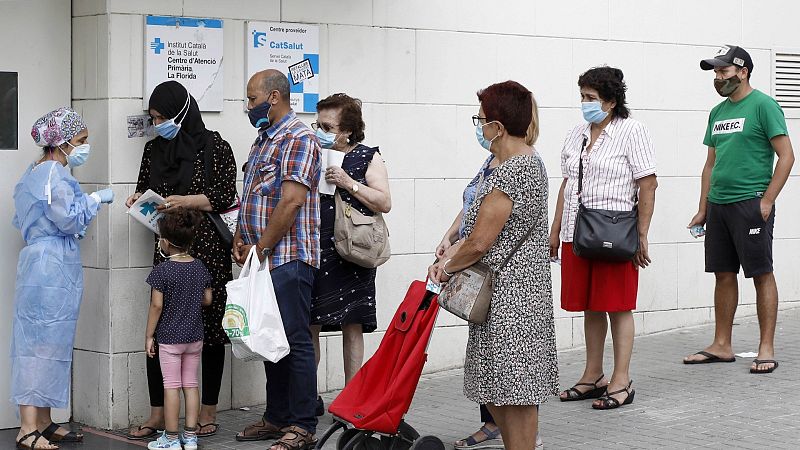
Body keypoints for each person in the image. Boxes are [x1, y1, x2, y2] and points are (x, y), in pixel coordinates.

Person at [429, 80, 558, 450]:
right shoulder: (528, 161)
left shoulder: (509, 172)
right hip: (521, 291)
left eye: (480, 119)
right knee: (509, 391)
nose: (478, 126)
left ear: (497, 127)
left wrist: (447, 265)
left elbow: (481, 242)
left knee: (511, 391)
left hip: (508, 298)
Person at [126, 81, 237, 440]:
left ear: (181, 112)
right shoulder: (153, 150)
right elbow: (146, 186)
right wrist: (139, 199)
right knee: (161, 330)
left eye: (161, 117)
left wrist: (185, 201)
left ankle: (207, 409)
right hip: (166, 251)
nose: (158, 124)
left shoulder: (215, 147)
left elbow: (224, 195)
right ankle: (158, 413)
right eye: (153, 118)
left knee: (211, 332)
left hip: (206, 252)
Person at [550, 67, 657, 409]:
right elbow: (567, 184)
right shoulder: (576, 134)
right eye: (582, 96)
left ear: (611, 101)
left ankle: (621, 380)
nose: (585, 103)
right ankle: (592, 376)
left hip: (616, 231)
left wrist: (642, 234)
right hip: (576, 231)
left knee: (617, 305)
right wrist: (555, 231)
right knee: (590, 305)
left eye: (591, 98)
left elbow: (648, 184)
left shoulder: (632, 131)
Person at [684, 45, 795, 373]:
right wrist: (702, 207)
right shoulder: (717, 113)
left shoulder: (763, 106)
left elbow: (786, 156)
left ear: (743, 71)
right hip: (719, 205)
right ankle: (721, 344)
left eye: (724, 71)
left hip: (751, 203)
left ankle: (766, 347)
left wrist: (767, 199)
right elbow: (710, 164)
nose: (718, 78)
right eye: (716, 73)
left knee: (761, 273)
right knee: (723, 274)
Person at [11, 107, 114, 449]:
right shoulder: (53, 174)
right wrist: (95, 199)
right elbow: (68, 220)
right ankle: (28, 428)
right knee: (37, 345)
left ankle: (43, 420)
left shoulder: (35, 172)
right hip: (50, 266)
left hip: (46, 264)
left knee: (49, 342)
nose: (86, 147)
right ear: (62, 142)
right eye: (82, 141)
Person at [233, 69, 321, 450]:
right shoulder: (263, 140)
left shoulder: (298, 138)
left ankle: (302, 425)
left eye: (252, 99)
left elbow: (291, 201)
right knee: (272, 339)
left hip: (289, 256)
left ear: (273, 97)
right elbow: (253, 194)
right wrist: (240, 236)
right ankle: (276, 417)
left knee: (296, 340)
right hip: (263, 257)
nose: (248, 106)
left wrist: (263, 246)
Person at [309, 93, 392, 412]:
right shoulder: (314, 154)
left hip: (352, 251)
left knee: (352, 323)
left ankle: (351, 397)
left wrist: (347, 182)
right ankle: (309, 396)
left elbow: (384, 201)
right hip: (315, 248)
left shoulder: (367, 157)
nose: (321, 131)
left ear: (348, 131)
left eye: (328, 127)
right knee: (309, 323)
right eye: (318, 124)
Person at [144, 209, 213, 450]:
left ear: (166, 242)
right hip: (195, 337)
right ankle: (191, 436)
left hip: (170, 339)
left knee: (171, 386)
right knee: (191, 385)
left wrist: (149, 335)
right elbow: (207, 299)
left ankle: (171, 439)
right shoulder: (200, 267)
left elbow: (156, 305)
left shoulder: (162, 271)